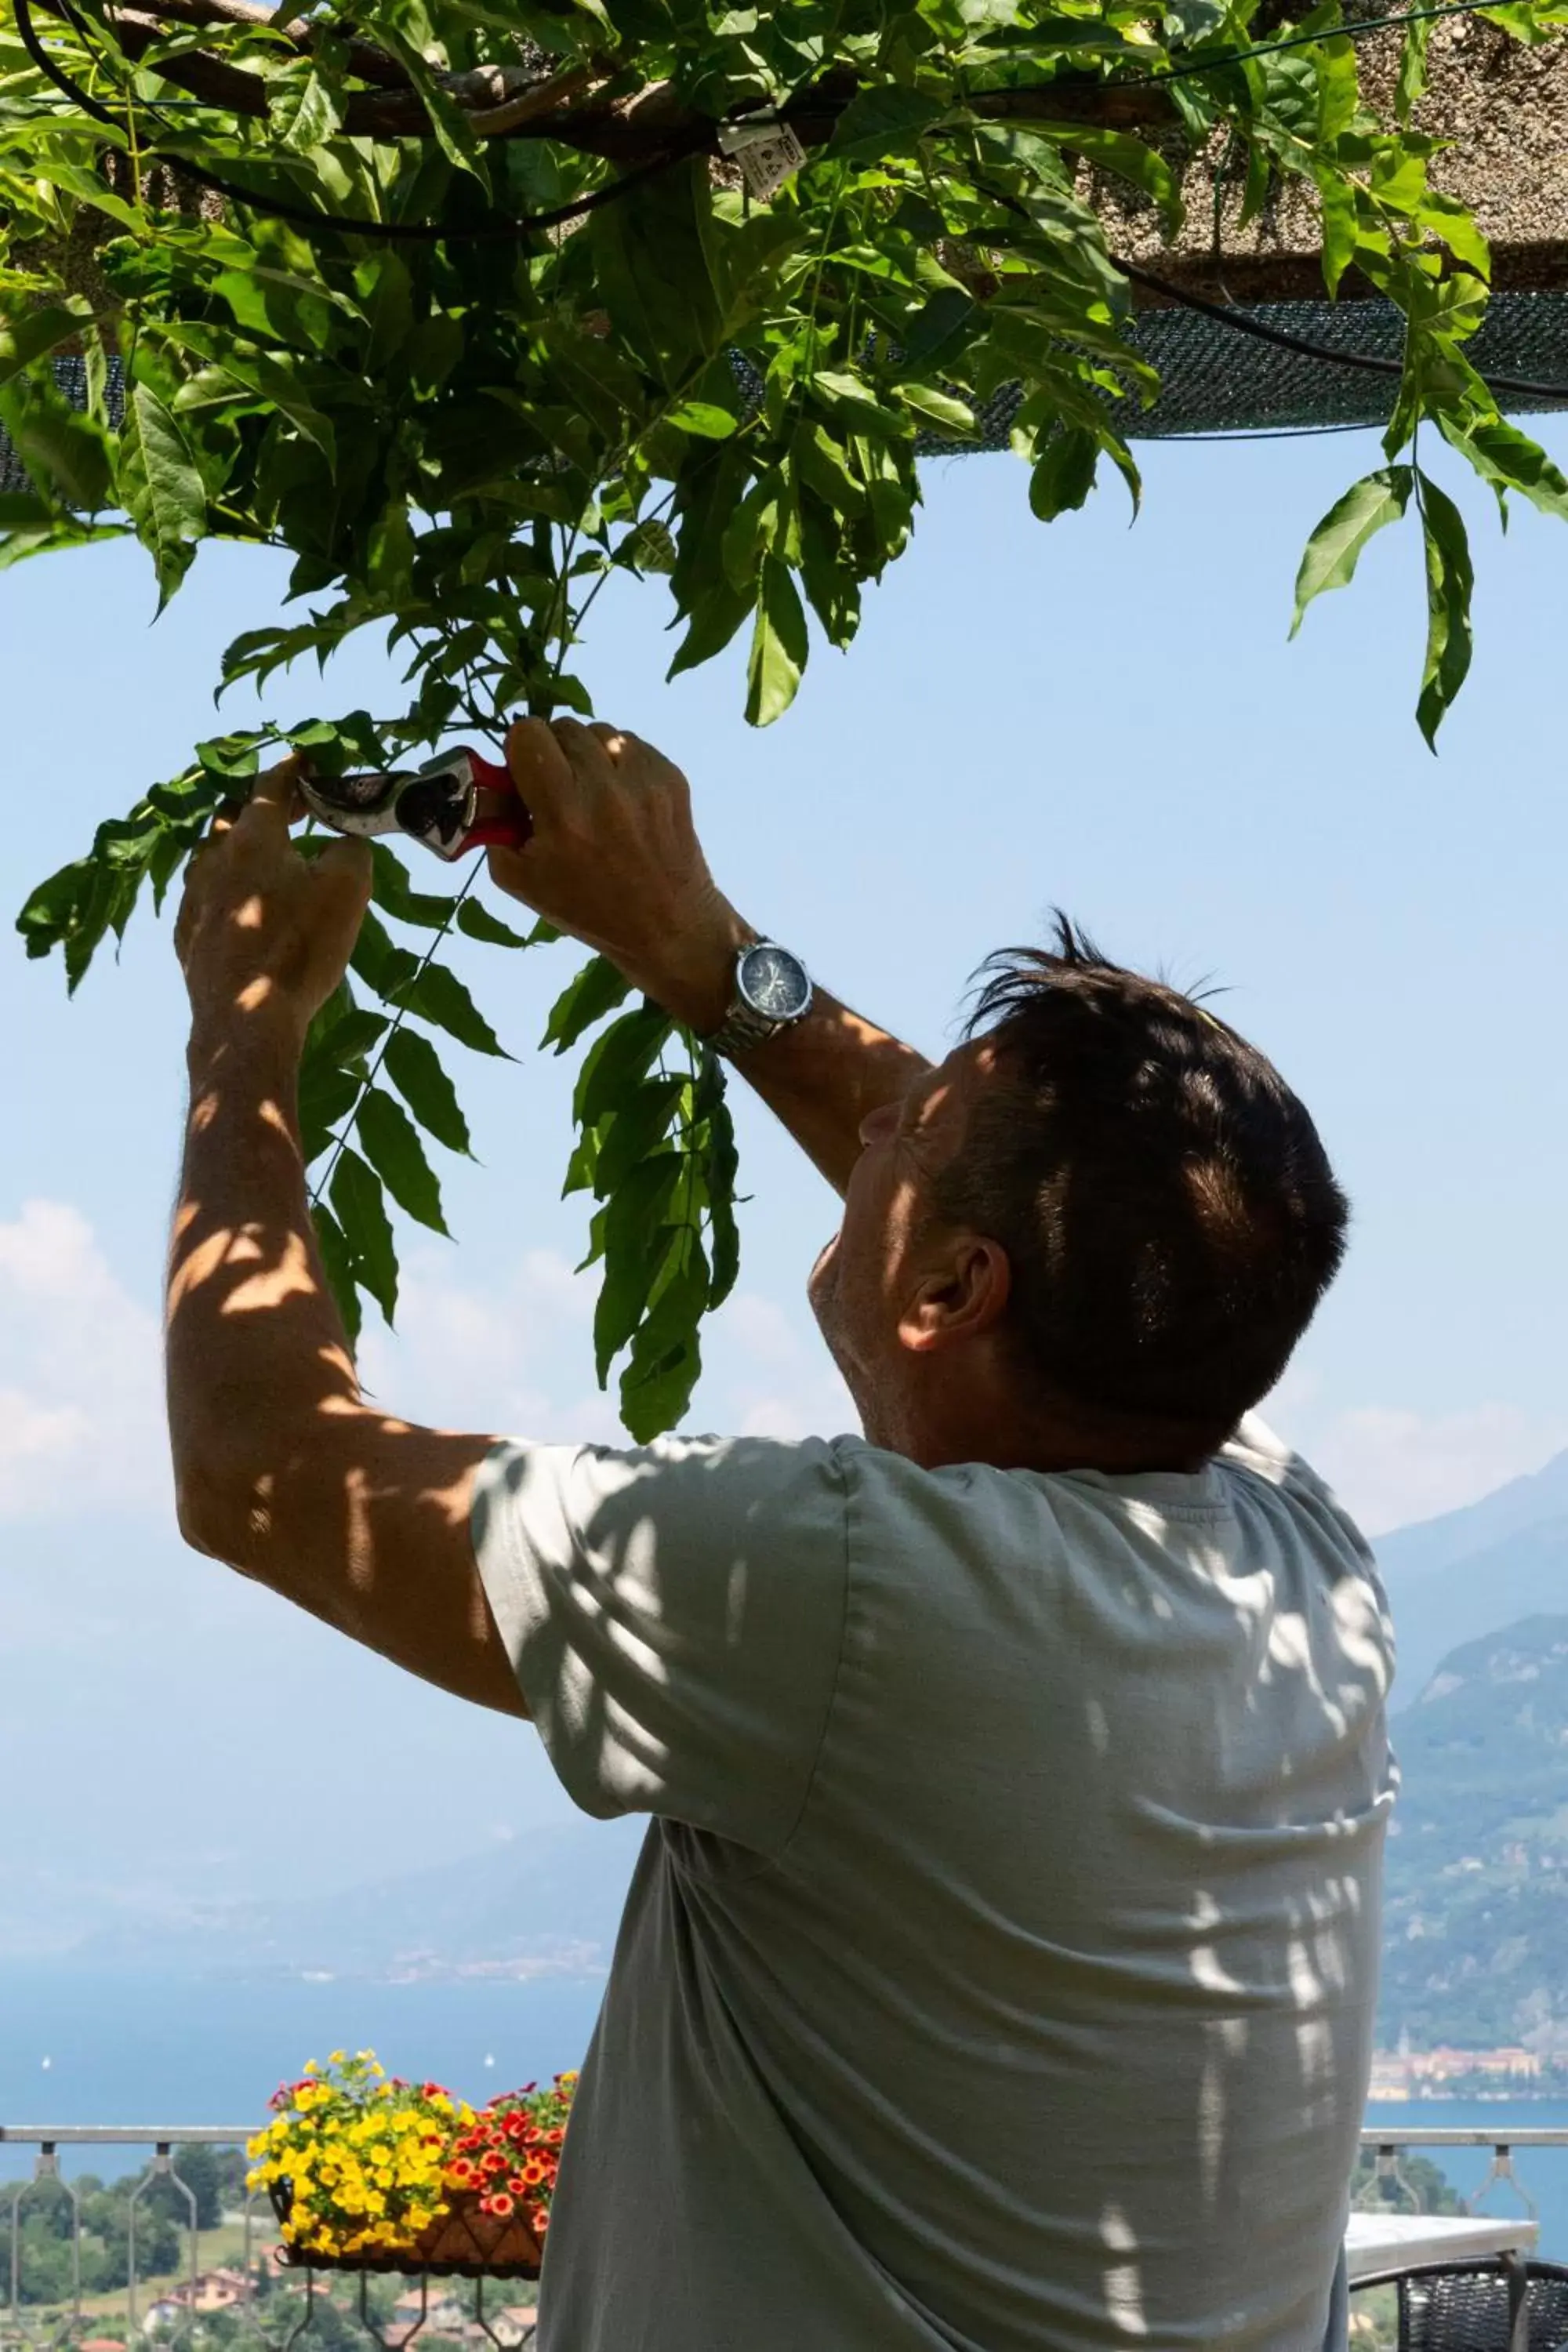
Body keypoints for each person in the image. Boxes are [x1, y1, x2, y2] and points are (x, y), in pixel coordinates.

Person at [167, 719, 1396, 2352]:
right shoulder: (1295, 1555)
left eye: (906, 1131)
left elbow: (255, 1466)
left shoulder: (860, 1598)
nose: (870, 1125)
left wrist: (245, 1027)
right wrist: (695, 946)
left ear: (954, 1289)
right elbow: (1074, 1232)